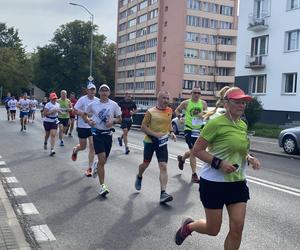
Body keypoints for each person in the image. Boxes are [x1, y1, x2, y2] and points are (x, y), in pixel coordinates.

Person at [175, 87, 261, 249]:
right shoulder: (215, 124)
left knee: (237, 228)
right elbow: (197, 151)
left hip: (237, 182)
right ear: (226, 104)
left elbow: (240, 149)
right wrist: (219, 163)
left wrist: (249, 158)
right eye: (237, 102)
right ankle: (188, 226)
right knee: (213, 229)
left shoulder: (242, 125)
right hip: (214, 183)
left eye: (244, 102)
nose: (242, 105)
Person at [134, 90, 176, 204]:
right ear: (158, 99)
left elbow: (168, 123)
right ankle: (139, 175)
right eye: (163, 98)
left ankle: (163, 193)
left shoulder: (169, 110)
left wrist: (171, 132)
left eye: (167, 98)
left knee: (163, 166)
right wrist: (155, 134)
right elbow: (143, 127)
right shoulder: (150, 112)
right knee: (145, 164)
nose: (166, 100)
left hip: (162, 143)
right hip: (150, 142)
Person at [83, 84, 122, 197]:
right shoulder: (93, 104)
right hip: (97, 134)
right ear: (99, 93)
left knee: (103, 161)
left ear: (109, 93)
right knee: (102, 158)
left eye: (106, 90)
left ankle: (97, 165)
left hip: (108, 135)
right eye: (102, 90)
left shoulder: (114, 105)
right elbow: (84, 115)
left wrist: (113, 121)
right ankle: (102, 186)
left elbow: (120, 118)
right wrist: (89, 122)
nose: (104, 92)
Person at [175, 87, 207, 183]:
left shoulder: (203, 103)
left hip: (199, 129)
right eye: (195, 92)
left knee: (195, 151)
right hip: (189, 129)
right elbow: (177, 111)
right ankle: (194, 175)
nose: (197, 94)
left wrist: (204, 115)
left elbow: (206, 114)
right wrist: (180, 117)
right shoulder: (186, 103)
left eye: (199, 93)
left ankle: (182, 158)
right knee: (193, 151)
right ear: (191, 93)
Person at [72, 83, 99, 177]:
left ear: (95, 91)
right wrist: (83, 113)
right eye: (90, 89)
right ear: (87, 91)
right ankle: (75, 150)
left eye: (93, 89)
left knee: (92, 146)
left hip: (92, 126)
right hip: (82, 126)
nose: (92, 91)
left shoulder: (97, 100)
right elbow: (74, 110)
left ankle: (89, 168)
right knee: (83, 147)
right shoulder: (82, 99)